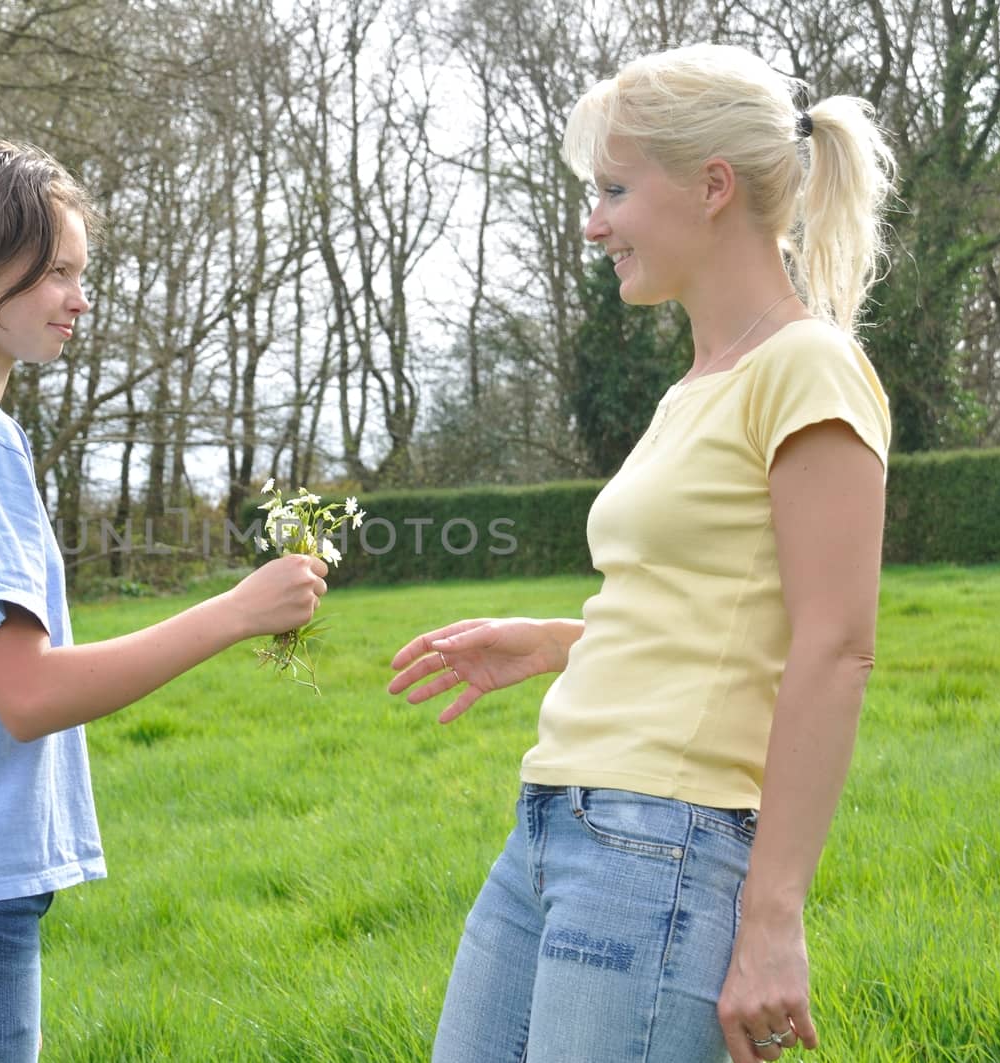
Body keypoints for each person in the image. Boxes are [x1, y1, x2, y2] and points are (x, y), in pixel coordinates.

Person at [389, 43, 895, 1063]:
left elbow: (833, 645)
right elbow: (712, 610)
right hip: (553, 824)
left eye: (615, 190)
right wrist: (558, 641)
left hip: (662, 845)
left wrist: (770, 920)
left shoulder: (808, 367)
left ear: (712, 187)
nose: (593, 222)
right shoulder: (696, 385)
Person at [0, 139, 327, 1063]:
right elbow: (30, 694)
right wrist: (238, 612)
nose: (79, 300)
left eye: (79, 273)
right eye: (56, 273)